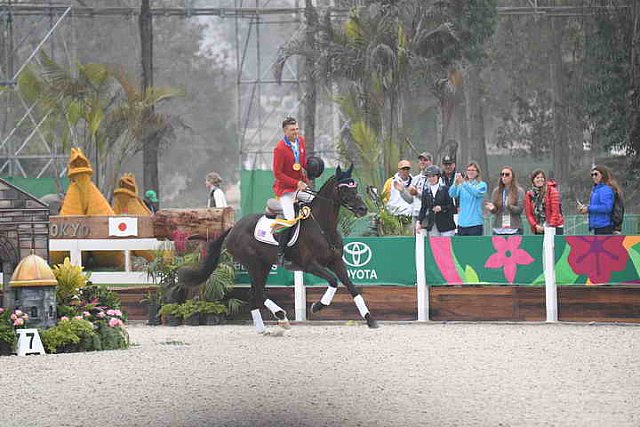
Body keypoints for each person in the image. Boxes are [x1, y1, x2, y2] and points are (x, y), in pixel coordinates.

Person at [273, 116, 310, 265]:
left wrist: (308, 174)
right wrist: (296, 183)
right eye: (292, 130)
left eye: (296, 129)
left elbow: (302, 163)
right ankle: (281, 253)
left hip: (300, 186)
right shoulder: (280, 148)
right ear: (285, 131)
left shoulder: (301, 141)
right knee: (289, 219)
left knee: (316, 202)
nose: (295, 132)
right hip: (286, 190)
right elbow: (278, 173)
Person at [448, 161, 487, 236]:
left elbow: (475, 193)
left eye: (473, 170)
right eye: (468, 170)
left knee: (474, 247)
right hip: (462, 223)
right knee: (462, 247)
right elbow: (452, 194)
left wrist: (463, 183)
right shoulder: (462, 184)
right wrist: (455, 184)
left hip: (475, 223)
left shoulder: (482, 185)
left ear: (477, 172)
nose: (470, 172)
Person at [577, 165, 619, 235]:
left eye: (596, 174)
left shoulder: (605, 189)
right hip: (598, 227)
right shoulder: (596, 190)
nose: (594, 177)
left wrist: (588, 208)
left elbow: (607, 208)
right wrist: (585, 208)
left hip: (605, 227)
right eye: (592, 175)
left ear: (603, 175)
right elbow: (596, 206)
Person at [415, 165, 456, 237]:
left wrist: (441, 208)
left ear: (438, 176)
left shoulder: (445, 189)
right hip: (433, 224)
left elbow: (451, 206)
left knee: (446, 246)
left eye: (433, 176)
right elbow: (423, 208)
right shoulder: (426, 192)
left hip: (446, 224)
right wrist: (419, 221)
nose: (431, 178)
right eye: (429, 176)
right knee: (435, 246)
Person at [485, 166, 525, 235]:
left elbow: (520, 210)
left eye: (507, 174)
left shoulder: (519, 191)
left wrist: (509, 206)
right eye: (502, 174)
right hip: (498, 228)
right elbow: (495, 211)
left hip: (514, 229)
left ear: (512, 177)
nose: (504, 176)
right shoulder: (496, 191)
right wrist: (492, 208)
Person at [524, 169, 564, 235]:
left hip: (554, 227)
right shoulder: (529, 194)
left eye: (542, 177)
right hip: (539, 228)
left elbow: (555, 212)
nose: (540, 179)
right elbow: (529, 214)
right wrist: (535, 225)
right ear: (533, 180)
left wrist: (549, 227)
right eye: (537, 178)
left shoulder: (552, 190)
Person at [408, 152, 433, 225]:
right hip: (415, 214)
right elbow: (410, 200)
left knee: (426, 236)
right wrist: (402, 191)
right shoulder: (415, 179)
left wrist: (417, 193)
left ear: (431, 162)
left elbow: (431, 199)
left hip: (427, 214)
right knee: (416, 236)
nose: (422, 162)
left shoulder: (434, 178)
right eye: (420, 160)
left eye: (425, 160)